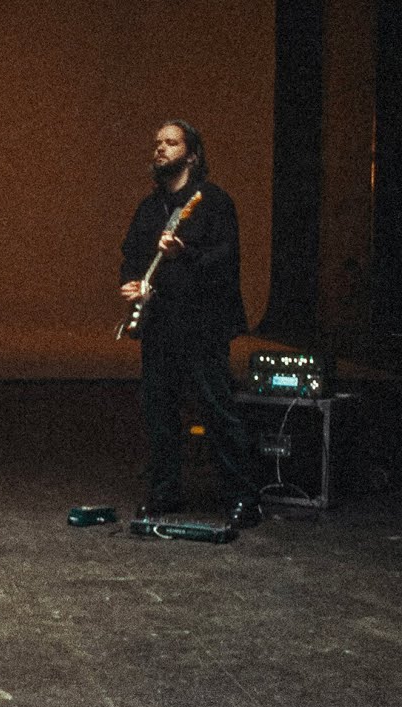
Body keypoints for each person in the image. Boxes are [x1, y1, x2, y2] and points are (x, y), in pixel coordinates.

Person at [119, 120, 257, 527]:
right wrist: (133, 284)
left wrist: (185, 254)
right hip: (160, 324)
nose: (160, 149)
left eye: (171, 143)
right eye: (157, 142)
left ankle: (243, 497)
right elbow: (131, 255)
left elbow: (226, 261)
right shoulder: (150, 207)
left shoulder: (213, 203)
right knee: (159, 411)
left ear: (192, 155)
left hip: (202, 324)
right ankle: (165, 491)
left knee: (216, 408)